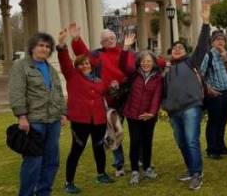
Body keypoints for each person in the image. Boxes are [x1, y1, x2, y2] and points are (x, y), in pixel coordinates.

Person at [69, 24, 136, 177]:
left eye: (112, 38)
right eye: (105, 40)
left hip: (128, 97)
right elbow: (83, 55)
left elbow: (140, 64)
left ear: (116, 39)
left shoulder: (128, 52)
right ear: (102, 43)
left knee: (134, 132)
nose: (109, 41)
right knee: (115, 132)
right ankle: (119, 165)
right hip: (110, 100)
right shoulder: (98, 56)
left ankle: (138, 161)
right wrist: (77, 39)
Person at [9, 32, 67, 196]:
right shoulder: (21, 66)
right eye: (41, 45)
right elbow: (16, 92)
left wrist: (62, 112)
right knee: (33, 161)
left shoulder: (51, 69)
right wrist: (21, 116)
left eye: (48, 46)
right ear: (33, 47)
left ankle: (43, 192)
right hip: (34, 121)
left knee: (51, 161)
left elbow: (57, 93)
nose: (45, 49)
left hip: (53, 121)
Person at [56, 28, 113, 193]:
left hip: (99, 120)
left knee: (98, 147)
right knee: (76, 150)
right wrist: (62, 45)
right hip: (81, 121)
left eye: (87, 63)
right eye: (82, 64)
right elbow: (65, 61)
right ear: (77, 67)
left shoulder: (99, 80)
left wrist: (114, 88)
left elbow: (107, 92)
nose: (86, 65)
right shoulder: (73, 77)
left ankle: (101, 174)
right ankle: (69, 182)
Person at [161, 5, 211, 191]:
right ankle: (190, 169)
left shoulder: (191, 62)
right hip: (174, 111)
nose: (177, 49)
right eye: (174, 48)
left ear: (185, 51)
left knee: (191, 140)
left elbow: (203, 46)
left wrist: (205, 23)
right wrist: (165, 105)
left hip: (191, 106)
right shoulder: (167, 70)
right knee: (181, 142)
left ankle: (197, 173)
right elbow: (162, 91)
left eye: (180, 47)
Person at [118, 33, 162, 186]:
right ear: (139, 62)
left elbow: (157, 96)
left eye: (149, 61)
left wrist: (151, 112)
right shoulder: (134, 74)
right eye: (143, 61)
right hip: (133, 114)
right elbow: (122, 65)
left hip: (149, 116)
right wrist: (125, 48)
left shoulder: (158, 78)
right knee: (135, 142)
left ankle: (148, 167)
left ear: (154, 63)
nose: (146, 64)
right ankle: (135, 170)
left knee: (147, 142)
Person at [200, 29, 227, 159]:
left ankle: (221, 146)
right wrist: (208, 89)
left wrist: (226, 59)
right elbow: (201, 74)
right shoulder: (208, 55)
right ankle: (212, 149)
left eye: (223, 39)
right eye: (217, 39)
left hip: (226, 92)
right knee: (214, 121)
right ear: (212, 42)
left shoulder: (226, 55)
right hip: (215, 93)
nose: (220, 41)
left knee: (223, 121)